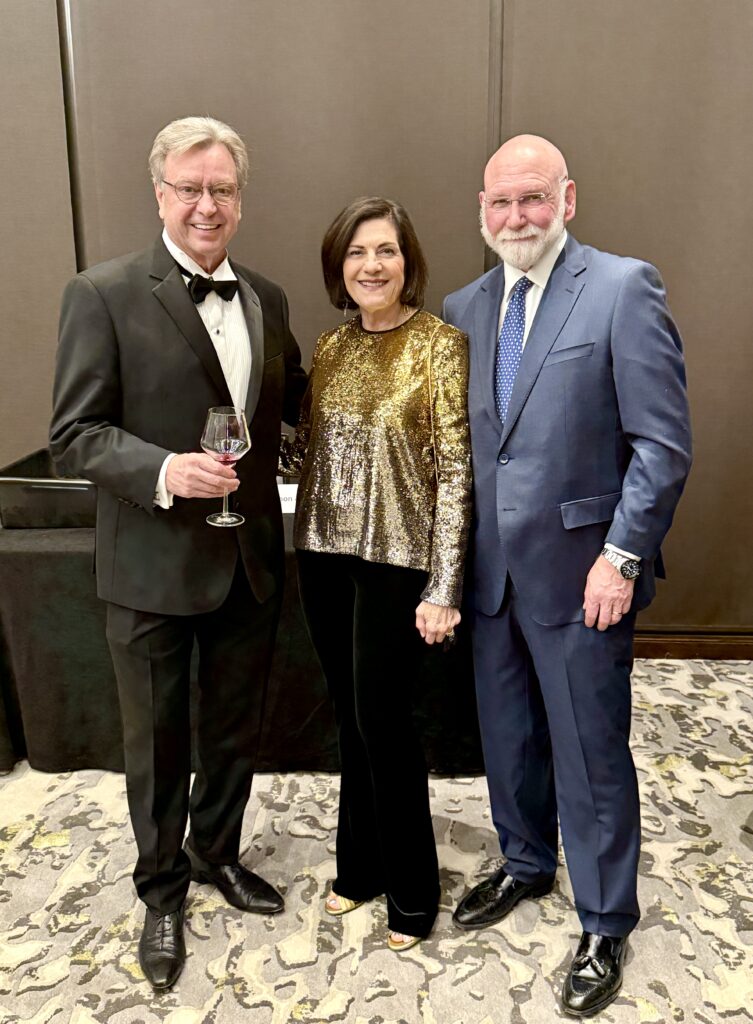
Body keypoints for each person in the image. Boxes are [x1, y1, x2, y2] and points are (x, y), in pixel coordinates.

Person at [49, 116, 307, 991]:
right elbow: (73, 436)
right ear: (160, 192)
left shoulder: (267, 298)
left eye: (222, 189)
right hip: (151, 563)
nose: (207, 204)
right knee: (156, 743)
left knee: (233, 728)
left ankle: (217, 853)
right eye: (190, 188)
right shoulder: (102, 291)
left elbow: (299, 409)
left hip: (249, 559)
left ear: (241, 199)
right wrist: (164, 470)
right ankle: (160, 892)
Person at [442, 136, 691, 1016]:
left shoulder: (623, 288)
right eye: (500, 203)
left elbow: (661, 446)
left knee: (589, 754)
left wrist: (619, 558)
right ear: (481, 210)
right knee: (506, 737)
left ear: (567, 199)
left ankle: (605, 916)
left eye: (531, 199)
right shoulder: (461, 307)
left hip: (585, 575)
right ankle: (523, 864)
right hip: (488, 579)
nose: (515, 217)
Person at [282, 196, 472, 952]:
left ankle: (414, 890)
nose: (371, 265)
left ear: (407, 260)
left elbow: (455, 473)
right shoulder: (329, 347)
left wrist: (445, 585)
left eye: (385, 250)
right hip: (325, 556)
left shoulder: (439, 345)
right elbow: (311, 455)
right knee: (349, 719)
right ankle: (358, 869)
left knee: (384, 725)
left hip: (399, 563)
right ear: (339, 266)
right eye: (357, 253)